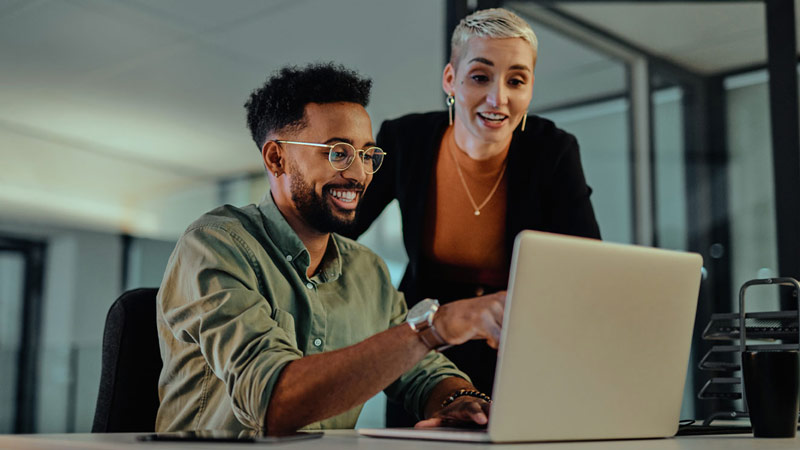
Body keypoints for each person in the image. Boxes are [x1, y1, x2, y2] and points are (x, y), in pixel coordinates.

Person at [155, 62, 506, 434]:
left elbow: (421, 371)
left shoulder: (367, 270)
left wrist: (462, 402)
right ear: (277, 159)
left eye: (368, 155)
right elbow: (271, 401)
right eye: (338, 153)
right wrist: (436, 326)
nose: (359, 174)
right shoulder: (215, 245)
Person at [347, 8, 601, 425]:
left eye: (516, 80)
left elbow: (585, 264)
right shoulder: (406, 139)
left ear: (530, 87)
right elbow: (342, 227)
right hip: (427, 341)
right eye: (480, 77)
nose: (498, 98)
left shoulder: (552, 150)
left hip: (515, 340)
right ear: (451, 80)